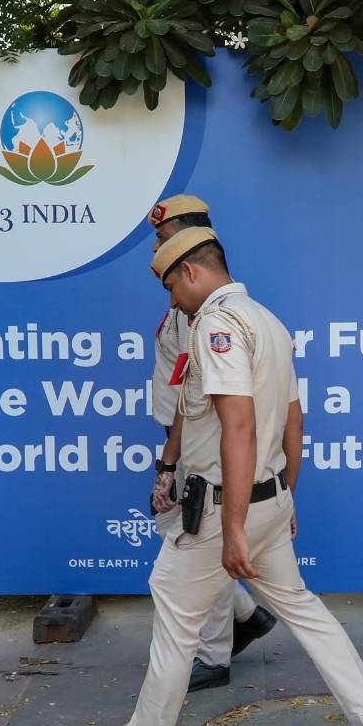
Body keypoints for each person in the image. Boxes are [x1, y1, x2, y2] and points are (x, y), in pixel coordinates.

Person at [67, 227, 363, 726]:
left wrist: (233, 529)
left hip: (225, 509)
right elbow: (295, 423)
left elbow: (240, 427)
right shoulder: (268, 322)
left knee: (176, 618)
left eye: (172, 286)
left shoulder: (217, 326)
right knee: (303, 609)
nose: (171, 300)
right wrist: (285, 497)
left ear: (193, 272)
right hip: (270, 500)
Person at [146, 194, 275, 692]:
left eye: (166, 236)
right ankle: (246, 615)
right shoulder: (185, 295)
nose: (160, 247)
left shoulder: (206, 306)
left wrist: (172, 457)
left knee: (194, 535)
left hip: (198, 434)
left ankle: (214, 654)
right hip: (180, 430)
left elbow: (202, 392)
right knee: (186, 533)